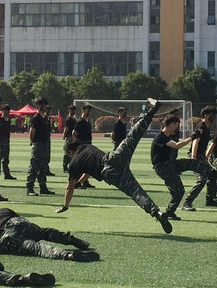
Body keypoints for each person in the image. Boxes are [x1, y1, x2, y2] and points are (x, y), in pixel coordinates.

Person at [56, 98, 173, 234]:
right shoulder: (86, 146)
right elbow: (87, 172)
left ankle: (156, 212)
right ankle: (153, 109)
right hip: (115, 156)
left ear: (70, 152)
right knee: (133, 135)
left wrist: (65, 205)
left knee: (135, 192)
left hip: (109, 172)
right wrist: (80, 182)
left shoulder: (74, 162)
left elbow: (69, 187)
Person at [151, 113, 215, 220]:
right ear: (171, 124)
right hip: (163, 168)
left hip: (168, 166)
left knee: (180, 190)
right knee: (188, 167)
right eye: (176, 125)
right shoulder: (161, 137)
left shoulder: (166, 136)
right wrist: (192, 137)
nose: (177, 127)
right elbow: (177, 146)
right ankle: (214, 174)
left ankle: (169, 213)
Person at [0, 207, 99, 262]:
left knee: (37, 248)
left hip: (6, 237)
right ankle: (74, 241)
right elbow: (23, 218)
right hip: (17, 222)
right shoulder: (2, 211)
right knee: (45, 233)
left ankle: (68, 255)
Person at [182, 106, 217, 210]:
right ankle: (187, 202)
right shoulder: (201, 127)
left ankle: (210, 199)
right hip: (195, 156)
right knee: (202, 179)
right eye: (211, 114)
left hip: (201, 157)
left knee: (213, 177)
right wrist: (193, 158)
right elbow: (195, 141)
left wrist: (204, 157)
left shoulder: (207, 127)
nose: (213, 117)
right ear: (205, 115)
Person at [26, 98, 54, 196]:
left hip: (44, 144)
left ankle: (43, 187)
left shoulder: (45, 118)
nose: (45, 107)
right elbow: (32, 131)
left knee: (43, 167)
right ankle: (29, 187)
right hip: (38, 144)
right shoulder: (36, 118)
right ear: (38, 105)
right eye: (43, 105)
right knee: (34, 167)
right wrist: (32, 141)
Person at [72, 104, 95, 189]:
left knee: (87, 165)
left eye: (89, 110)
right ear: (82, 111)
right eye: (87, 110)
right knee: (82, 165)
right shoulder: (80, 121)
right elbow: (74, 133)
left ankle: (85, 181)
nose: (88, 112)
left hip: (88, 145)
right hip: (82, 145)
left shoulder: (87, 121)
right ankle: (78, 182)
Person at [0, 104, 16, 180]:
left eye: (8, 111)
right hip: (0, 141)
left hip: (6, 140)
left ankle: (7, 174)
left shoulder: (8, 120)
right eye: (6, 110)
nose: (7, 112)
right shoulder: (0, 120)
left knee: (6, 159)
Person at [62, 105, 77, 173]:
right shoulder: (68, 119)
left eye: (73, 110)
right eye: (71, 110)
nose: (72, 111)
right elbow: (66, 128)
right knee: (67, 152)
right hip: (69, 137)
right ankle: (65, 166)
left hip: (73, 137)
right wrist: (64, 135)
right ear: (69, 110)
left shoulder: (74, 119)